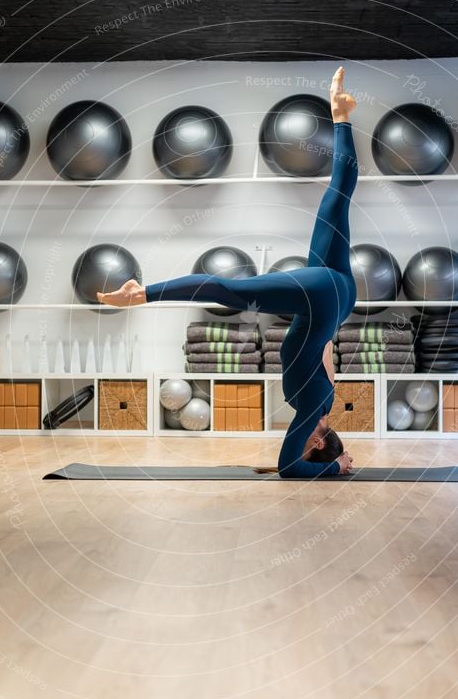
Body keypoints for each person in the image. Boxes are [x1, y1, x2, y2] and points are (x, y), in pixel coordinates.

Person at [97, 66, 358, 478]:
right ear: (318, 442)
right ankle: (140, 294)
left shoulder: (324, 398)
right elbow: (289, 470)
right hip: (322, 296)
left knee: (336, 198)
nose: (297, 438)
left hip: (341, 297)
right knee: (228, 290)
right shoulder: (311, 409)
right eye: (310, 447)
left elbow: (325, 348)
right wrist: (336, 468)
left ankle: (341, 116)